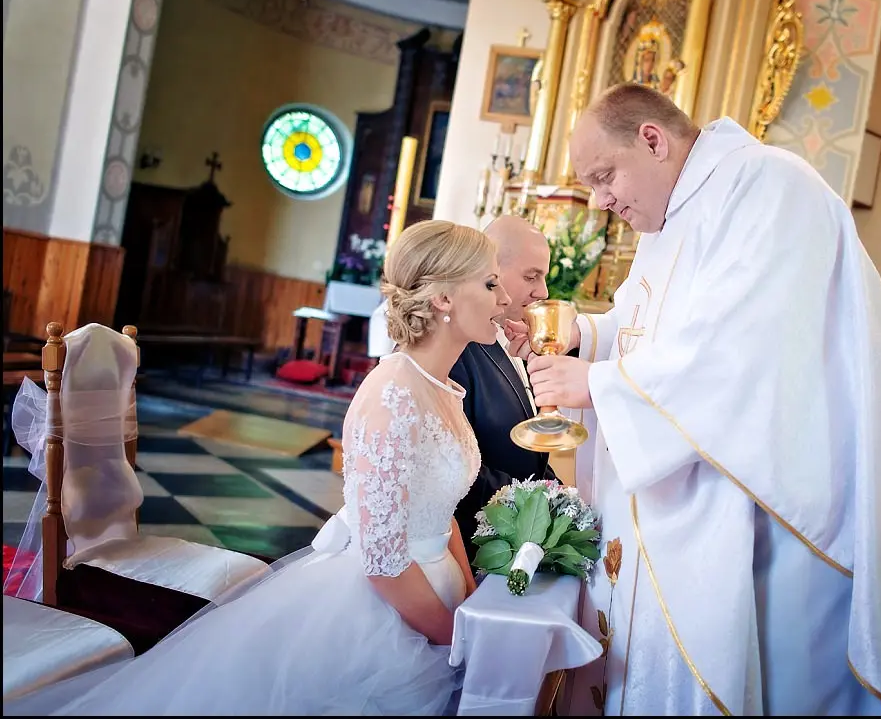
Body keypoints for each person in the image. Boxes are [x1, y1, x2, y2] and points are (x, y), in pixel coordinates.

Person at [506, 83, 881, 716]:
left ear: (652, 139)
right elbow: (644, 326)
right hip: (710, 483)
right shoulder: (669, 216)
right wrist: (584, 337)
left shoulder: (768, 186)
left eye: (604, 176)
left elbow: (750, 347)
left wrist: (599, 384)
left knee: (782, 675)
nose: (599, 199)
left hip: (779, 500)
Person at [6, 220, 512, 716]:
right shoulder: (393, 394)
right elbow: (382, 560)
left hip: (436, 591)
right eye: (490, 284)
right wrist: (452, 636)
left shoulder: (442, 387)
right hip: (382, 609)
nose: (505, 298)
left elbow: (440, 511)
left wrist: (466, 605)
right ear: (442, 297)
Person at [449, 215, 560, 561]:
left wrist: (561, 495)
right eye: (531, 276)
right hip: (474, 546)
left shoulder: (508, 338)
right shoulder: (456, 350)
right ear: (491, 268)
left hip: (514, 543)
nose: (542, 292)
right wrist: (539, 505)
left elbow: (529, 454)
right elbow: (452, 466)